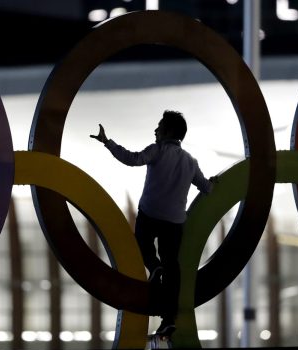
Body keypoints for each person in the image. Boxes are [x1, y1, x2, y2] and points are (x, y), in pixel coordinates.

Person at [90, 110, 214, 336]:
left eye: (159, 127)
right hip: (175, 221)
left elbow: (132, 159)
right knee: (172, 268)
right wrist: (213, 183)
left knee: (142, 246)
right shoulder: (190, 162)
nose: (155, 130)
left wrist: (107, 142)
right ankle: (169, 318)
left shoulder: (157, 151)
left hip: (150, 213)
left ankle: (154, 267)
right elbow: (206, 188)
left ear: (168, 131)